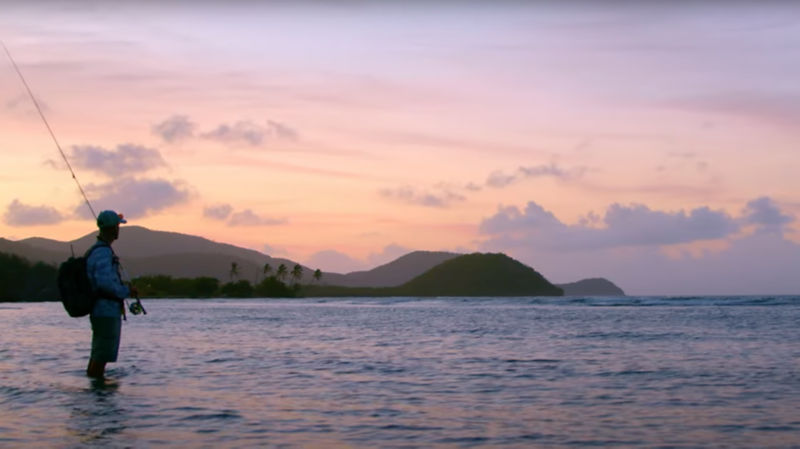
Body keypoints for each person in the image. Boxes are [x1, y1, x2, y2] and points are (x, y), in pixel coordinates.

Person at [86, 210, 138, 379]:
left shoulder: (99, 250)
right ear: (112, 228)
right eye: (117, 226)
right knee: (101, 357)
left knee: (98, 355)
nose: (118, 230)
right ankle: (99, 397)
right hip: (105, 311)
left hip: (102, 311)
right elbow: (105, 283)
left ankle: (95, 393)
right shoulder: (102, 252)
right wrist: (127, 291)